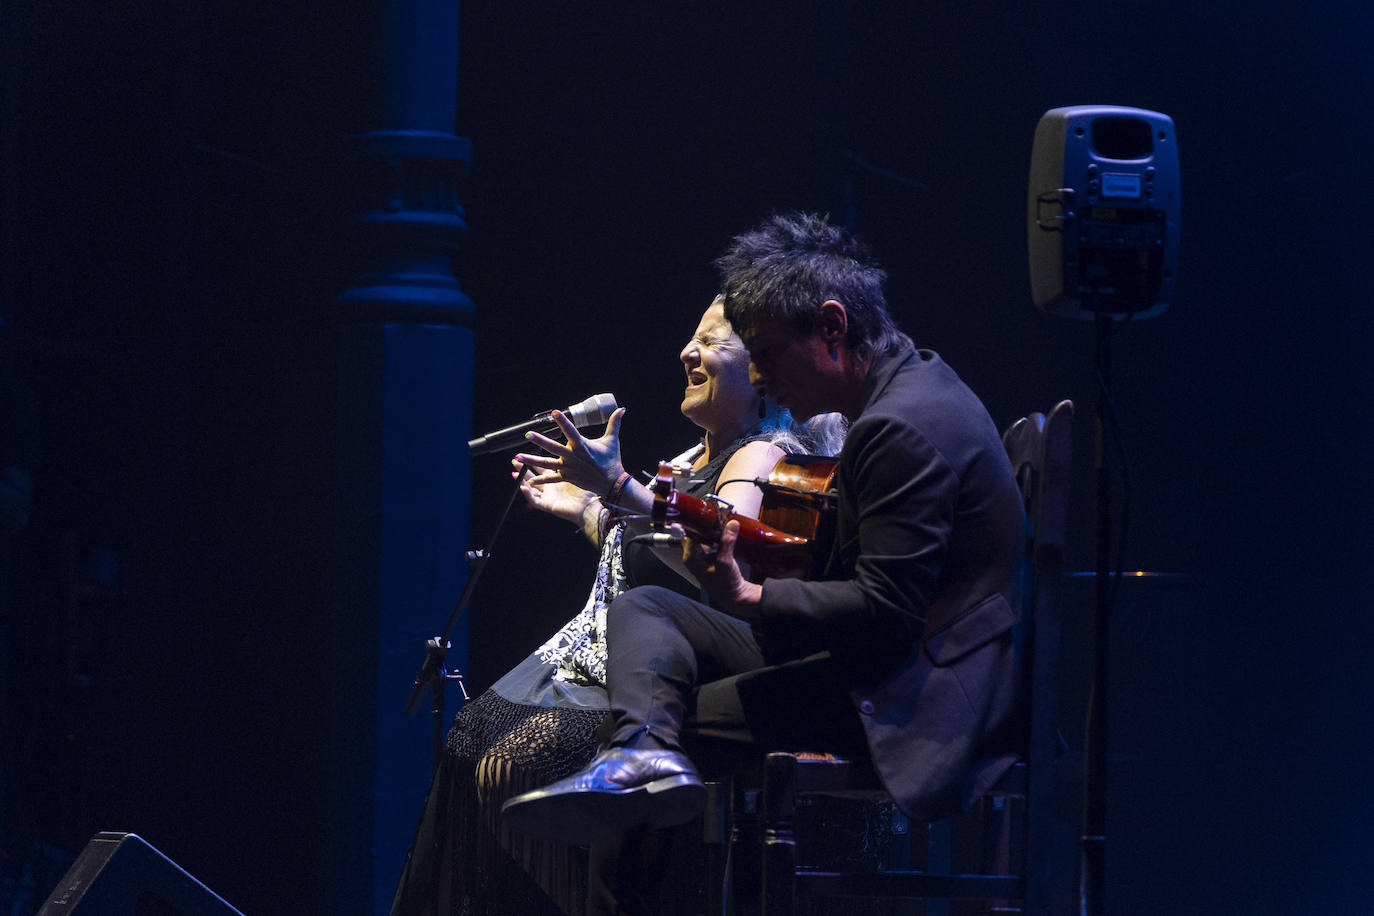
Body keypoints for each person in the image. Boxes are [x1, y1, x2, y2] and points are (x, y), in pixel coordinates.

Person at [501, 212, 1028, 914]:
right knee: (648, 609)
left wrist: (750, 599)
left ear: (833, 328)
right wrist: (667, 514)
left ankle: (641, 757)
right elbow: (829, 559)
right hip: (879, 657)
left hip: (914, 690)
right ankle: (640, 750)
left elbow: (886, 613)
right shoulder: (910, 385)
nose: (762, 379)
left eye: (770, 356)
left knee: (675, 722)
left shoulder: (901, 429)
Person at [389, 296, 843, 916]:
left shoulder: (758, 452)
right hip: (618, 653)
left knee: (504, 765)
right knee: (472, 740)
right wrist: (580, 505)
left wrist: (618, 488)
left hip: (666, 673)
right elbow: (646, 547)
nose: (689, 352)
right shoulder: (688, 461)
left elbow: (718, 547)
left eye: (711, 342)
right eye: (691, 338)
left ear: (760, 373)